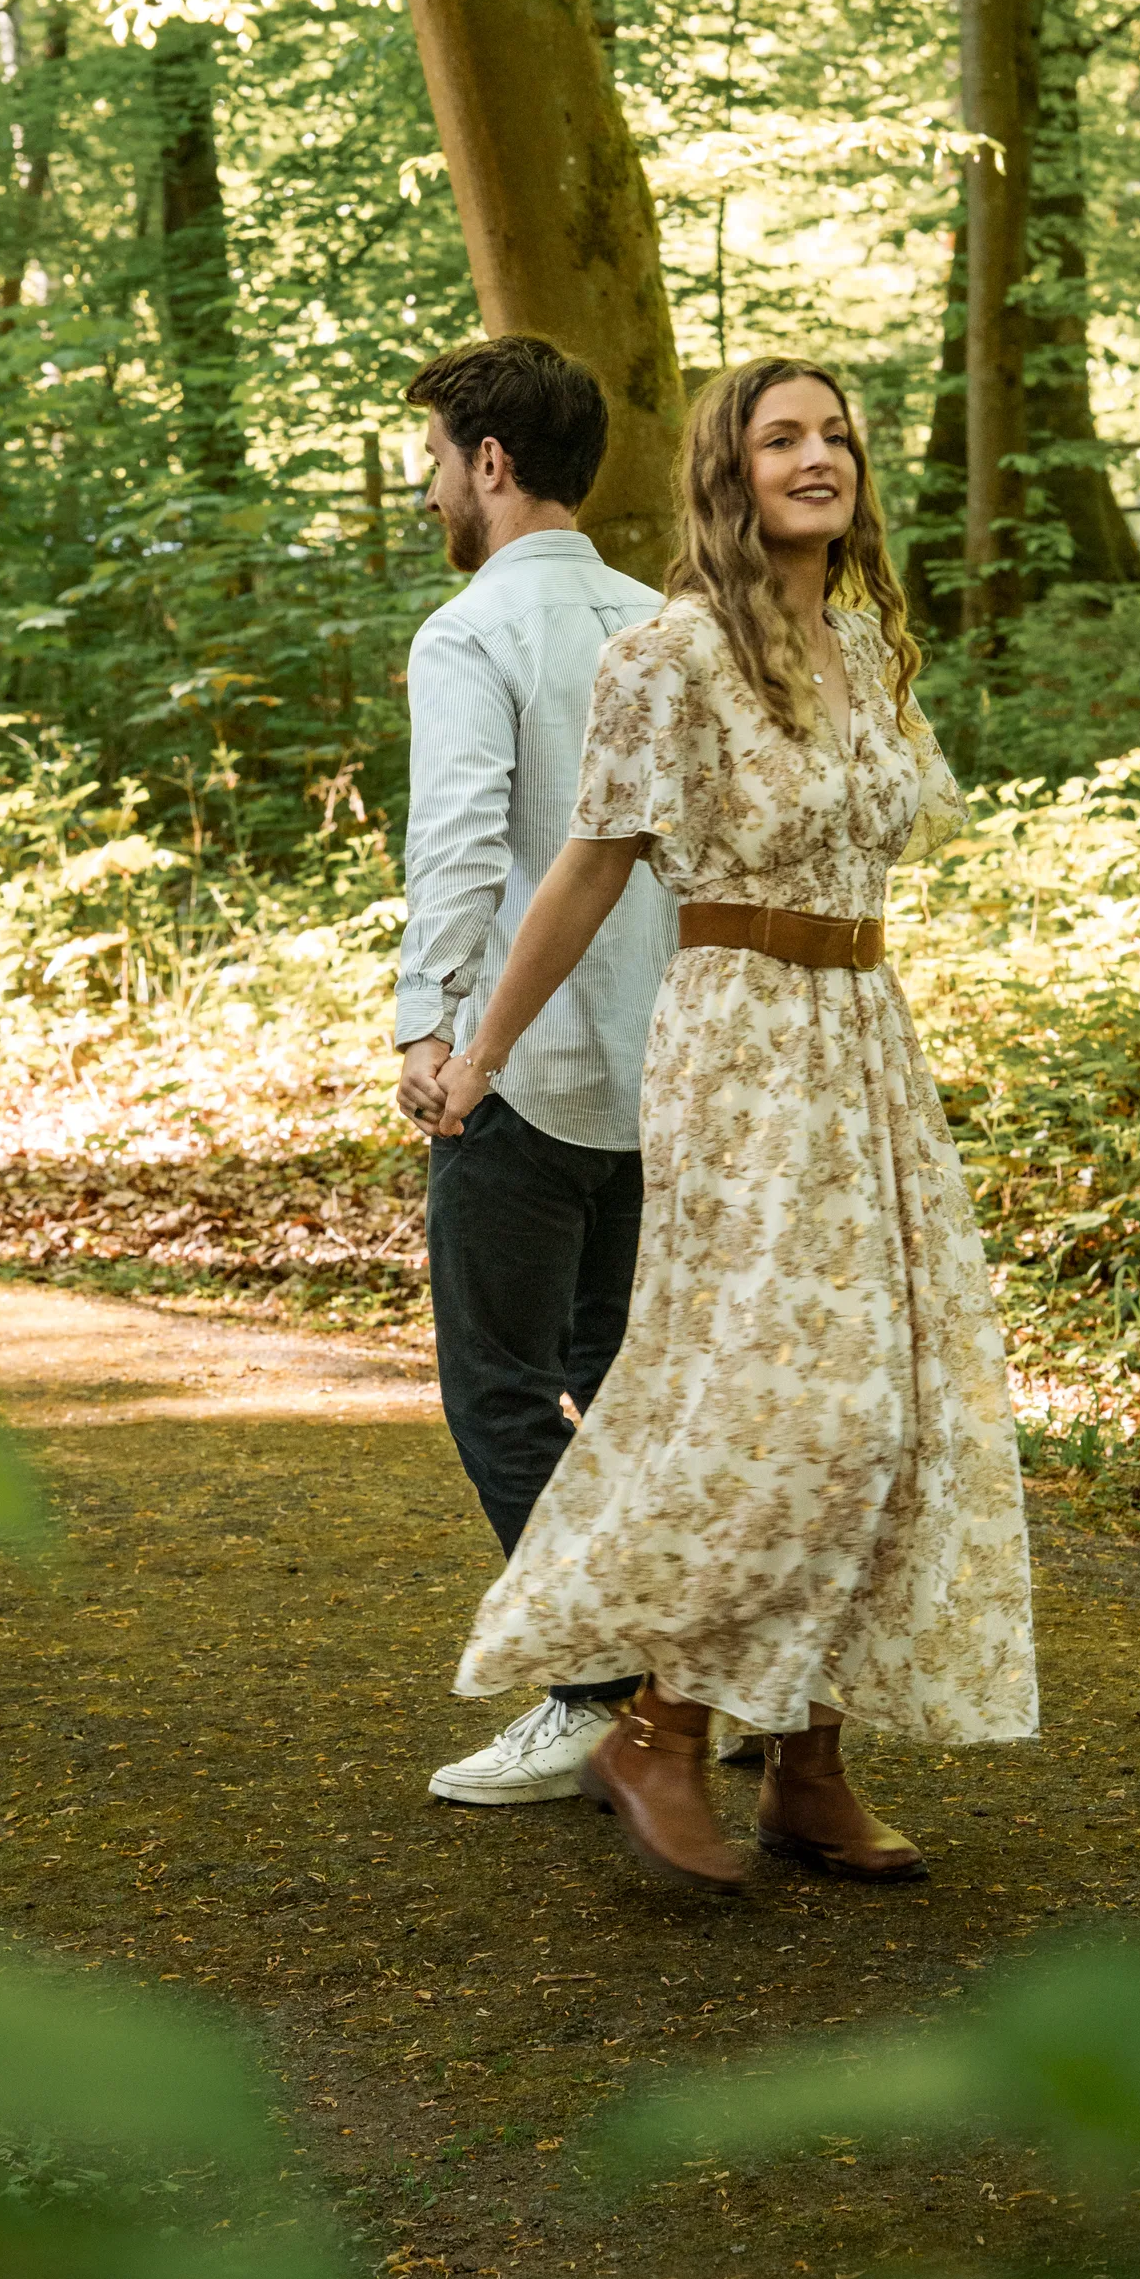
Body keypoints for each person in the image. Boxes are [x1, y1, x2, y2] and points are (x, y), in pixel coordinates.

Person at [432, 357, 1039, 1893]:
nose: (819, 455)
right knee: (792, 1405)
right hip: (741, 1039)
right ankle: (661, 1720)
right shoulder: (669, 654)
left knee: (896, 1409)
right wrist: (480, 1052)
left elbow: (894, 834)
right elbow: (583, 867)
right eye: (784, 437)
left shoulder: (867, 649)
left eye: (836, 434)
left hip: (864, 1044)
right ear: (732, 472)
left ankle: (814, 1774)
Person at [393, 334, 677, 1806]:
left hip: (518, 1070)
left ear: (491, 465)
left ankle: (596, 1693)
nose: (431, 486)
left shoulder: (471, 633)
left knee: (501, 1390)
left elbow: (459, 848)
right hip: (669, 1064)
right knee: (622, 1386)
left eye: (436, 458)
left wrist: (428, 1033)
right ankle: (675, 1703)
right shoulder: (666, 624)